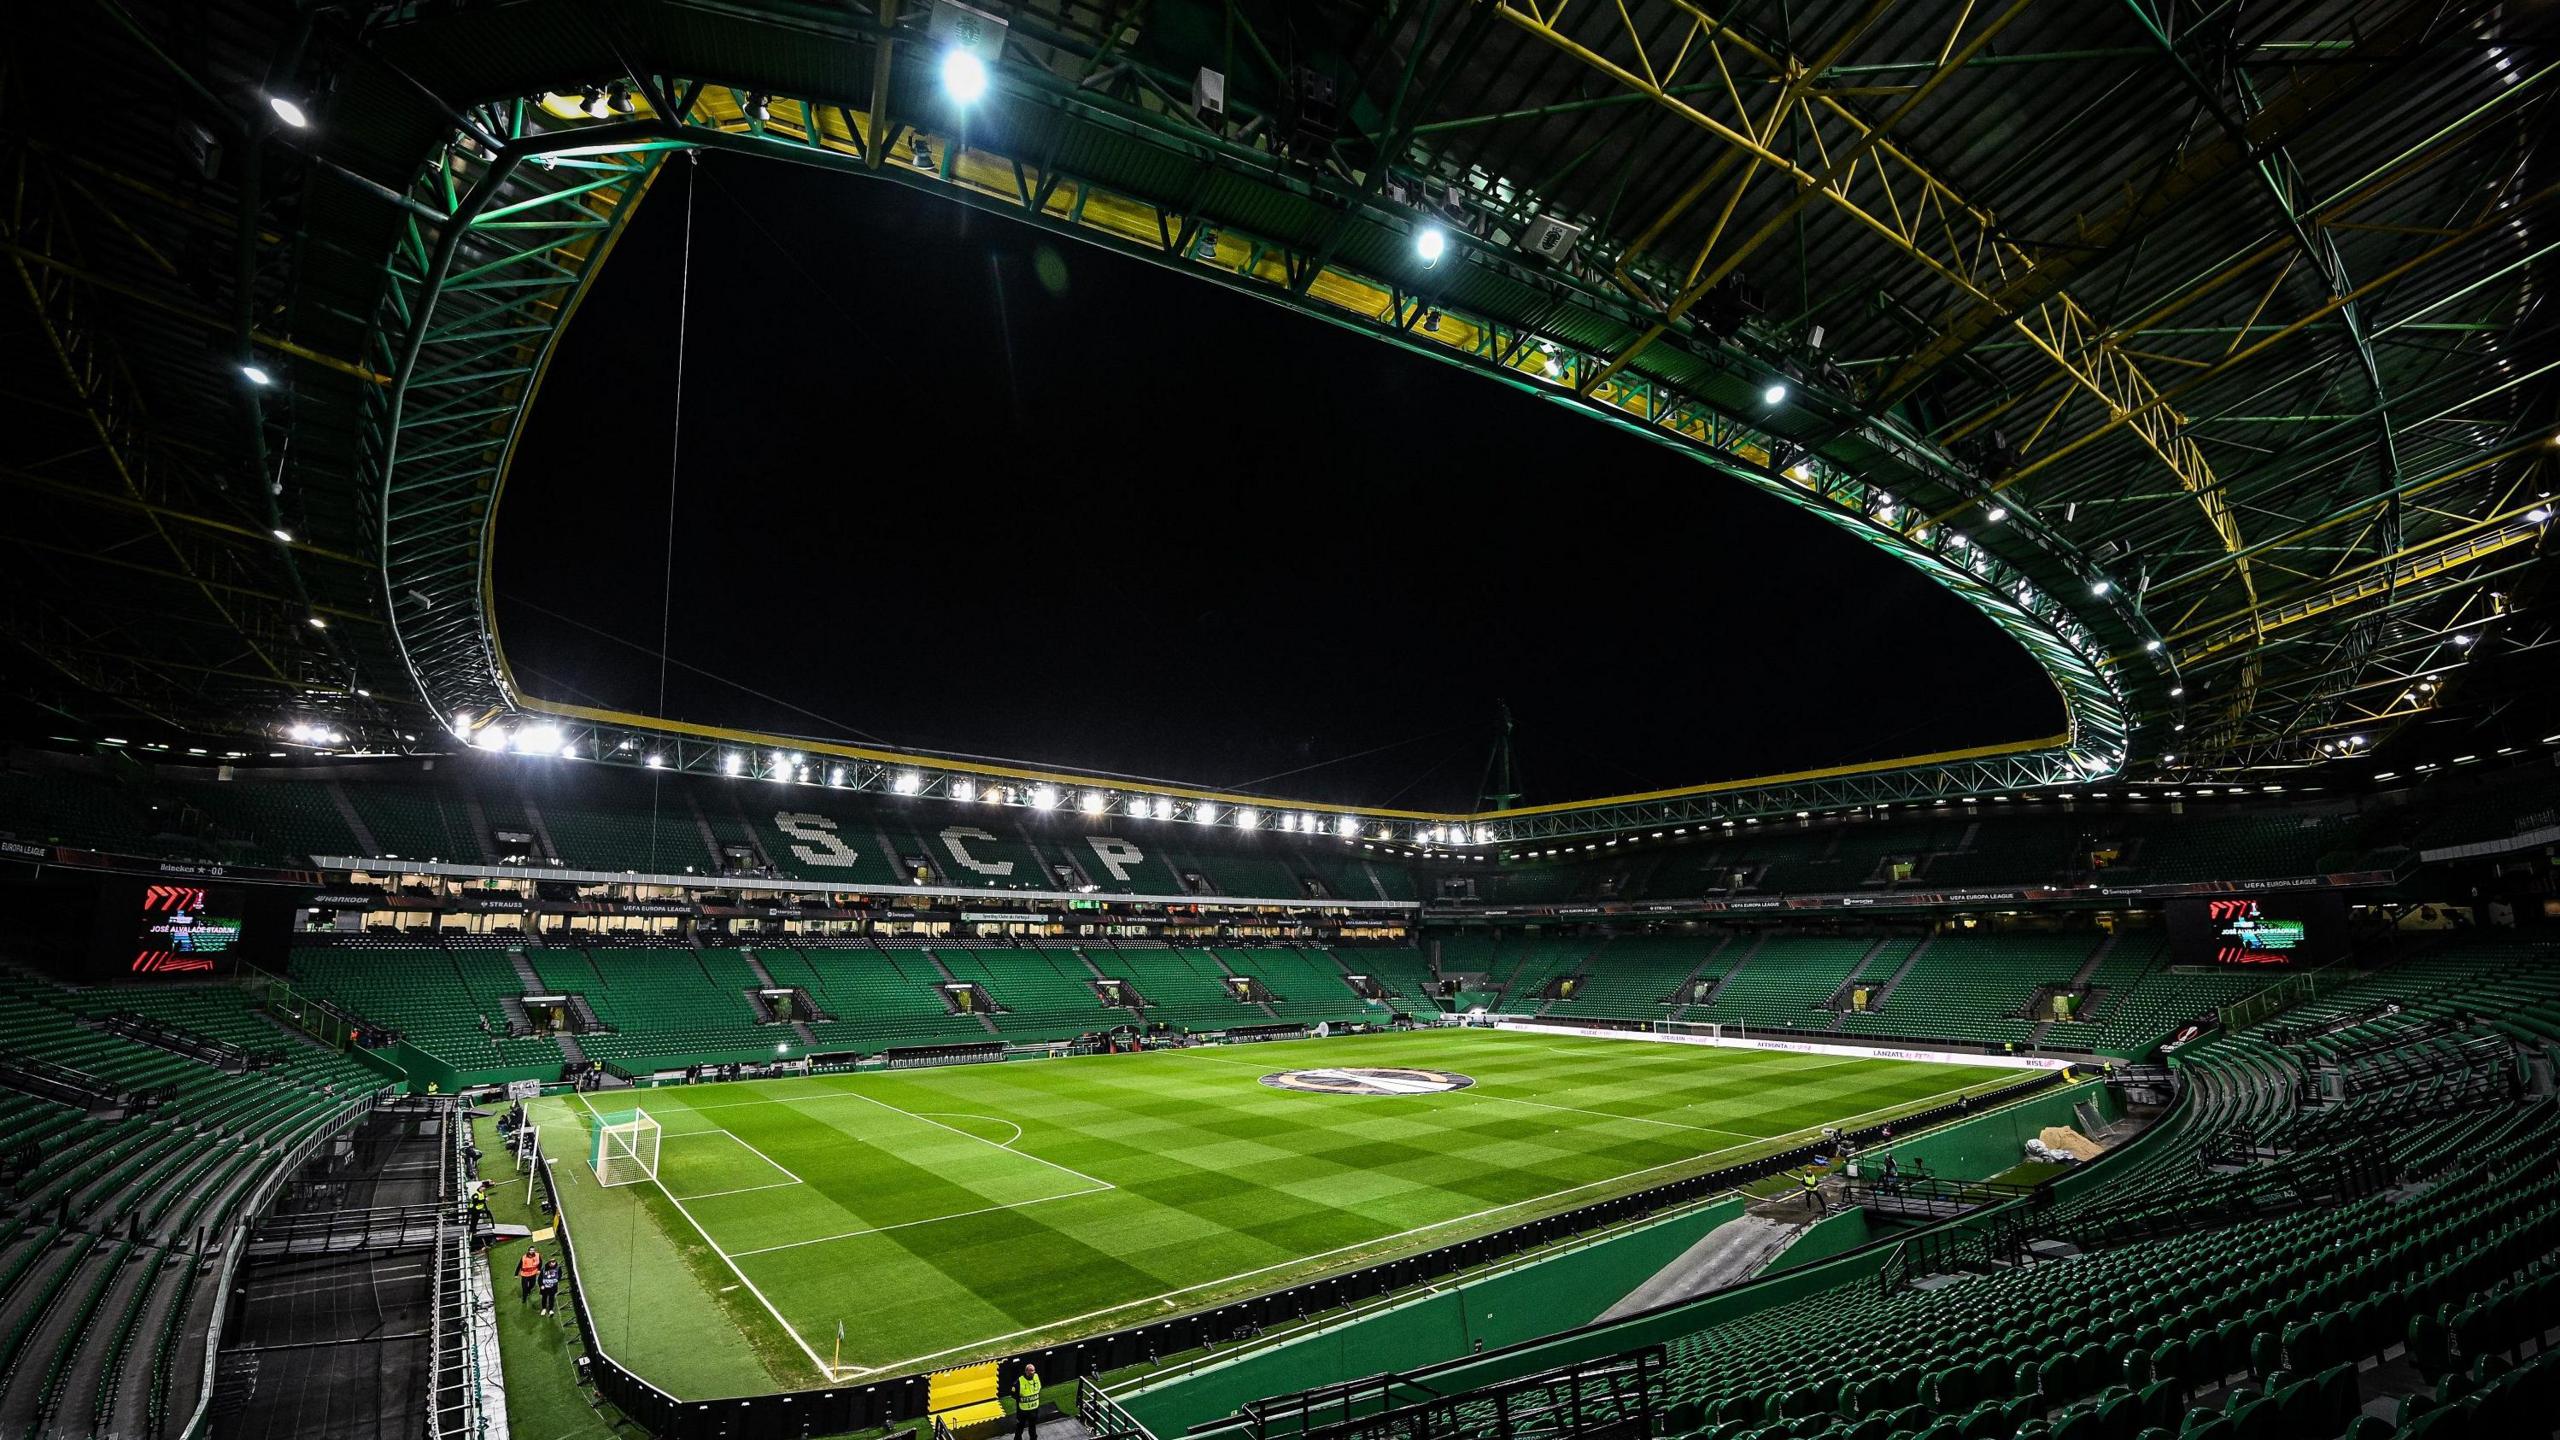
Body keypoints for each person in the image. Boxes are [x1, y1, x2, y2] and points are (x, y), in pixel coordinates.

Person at [1011, 1362, 1042, 1440]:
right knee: (1019, 1428)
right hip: (1022, 1411)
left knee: (1033, 1428)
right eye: (1031, 1371)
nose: (1032, 1372)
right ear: (1026, 1371)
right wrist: (1020, 1399)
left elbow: (1039, 1388)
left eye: (1033, 1370)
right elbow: (1012, 1393)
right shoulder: (1019, 1381)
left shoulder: (1036, 1377)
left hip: (1034, 1410)